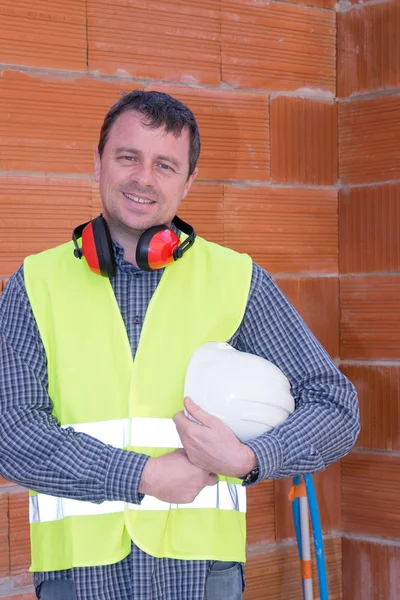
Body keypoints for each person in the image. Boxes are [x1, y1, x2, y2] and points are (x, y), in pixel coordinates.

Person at [0, 90, 360, 600]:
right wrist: (142, 475)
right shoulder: (34, 284)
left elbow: (335, 405)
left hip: (201, 575)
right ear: (98, 162)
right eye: (128, 156)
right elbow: (10, 431)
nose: (143, 178)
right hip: (78, 577)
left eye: (165, 165)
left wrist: (249, 460)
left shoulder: (237, 280)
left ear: (188, 181)